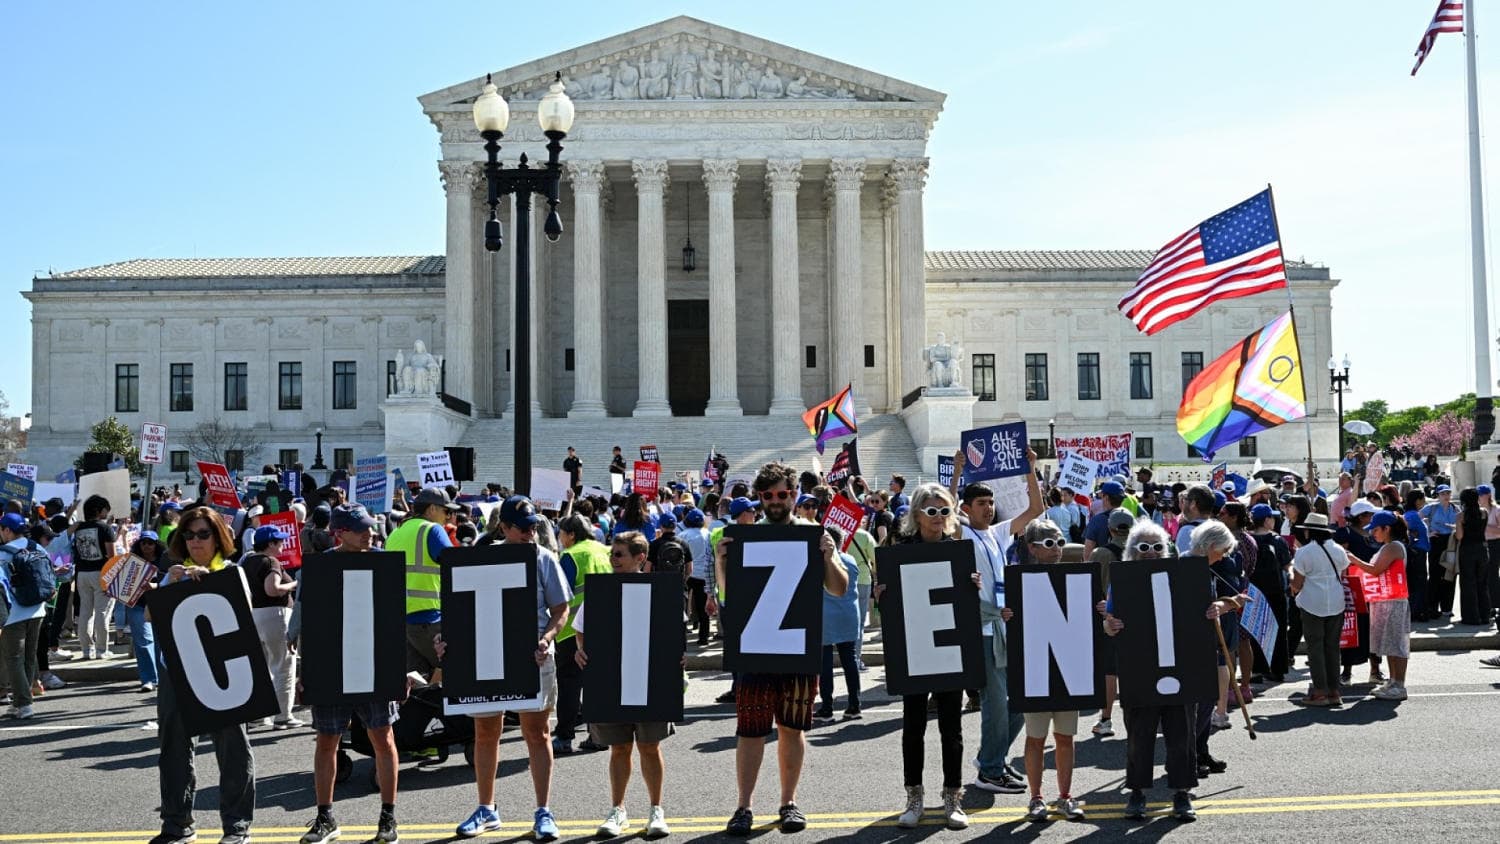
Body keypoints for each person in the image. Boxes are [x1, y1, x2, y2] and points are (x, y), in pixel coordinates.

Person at [715, 462, 847, 835]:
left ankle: (789, 801)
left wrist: (828, 555)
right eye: (768, 495)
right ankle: (744, 806)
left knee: (792, 728)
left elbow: (838, 588)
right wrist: (723, 564)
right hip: (757, 646)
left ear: (793, 494)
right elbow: (728, 596)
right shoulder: (745, 537)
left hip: (796, 647)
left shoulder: (812, 535)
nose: (775, 500)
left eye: (783, 494)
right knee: (750, 730)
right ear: (759, 497)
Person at [444, 496, 571, 840]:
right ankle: (487, 808)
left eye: (534, 526)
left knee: (537, 732)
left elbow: (562, 608)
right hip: (488, 654)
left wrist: (547, 638)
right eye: (523, 527)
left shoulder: (543, 558)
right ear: (504, 527)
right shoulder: (482, 557)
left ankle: (543, 811)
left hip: (532, 655)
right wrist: (448, 641)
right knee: (485, 734)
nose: (531, 533)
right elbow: (461, 608)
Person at [297, 505, 411, 844]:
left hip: (374, 663)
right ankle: (325, 817)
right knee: (327, 741)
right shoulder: (318, 568)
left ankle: (388, 817)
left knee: (383, 738)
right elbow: (309, 622)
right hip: (332, 664)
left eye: (371, 527)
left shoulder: (383, 563)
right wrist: (306, 670)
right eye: (361, 528)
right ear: (339, 532)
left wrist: (400, 667)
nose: (370, 533)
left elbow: (394, 621)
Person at [151, 506, 255, 844]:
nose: (195, 541)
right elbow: (151, 615)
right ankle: (177, 824)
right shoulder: (172, 573)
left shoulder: (231, 572)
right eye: (189, 534)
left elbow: (244, 617)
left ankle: (236, 825)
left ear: (218, 538)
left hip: (222, 675)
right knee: (175, 749)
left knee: (233, 749)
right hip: (175, 672)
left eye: (203, 534)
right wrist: (173, 582)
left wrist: (208, 583)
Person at [878, 483, 970, 830]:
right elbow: (892, 604)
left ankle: (952, 798)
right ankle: (914, 797)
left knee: (952, 728)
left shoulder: (958, 551)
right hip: (915, 647)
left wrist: (971, 586)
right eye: (931, 511)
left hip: (948, 648)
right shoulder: (901, 549)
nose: (938, 518)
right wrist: (880, 594)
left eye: (944, 511)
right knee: (912, 727)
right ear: (917, 515)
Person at [573, 531, 674, 839]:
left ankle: (656, 809)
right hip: (611, 677)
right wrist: (580, 649)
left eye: (619, 554)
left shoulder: (659, 590)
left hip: (647, 677)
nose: (612, 559)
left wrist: (676, 658)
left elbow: (672, 631)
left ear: (639, 558)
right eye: (611, 554)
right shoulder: (601, 591)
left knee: (648, 746)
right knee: (619, 748)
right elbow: (581, 627)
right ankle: (618, 809)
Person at [1103, 520, 1204, 822]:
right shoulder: (1121, 581)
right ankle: (1137, 793)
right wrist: (1108, 625)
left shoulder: (1184, 576)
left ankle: (1182, 793)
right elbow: (1109, 619)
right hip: (1139, 668)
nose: (1150, 552)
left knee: (1181, 734)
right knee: (1139, 734)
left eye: (1157, 546)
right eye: (1143, 547)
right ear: (1132, 551)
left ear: (1167, 549)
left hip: (1180, 666)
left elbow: (1201, 609)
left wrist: (1215, 609)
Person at [951, 464, 1041, 796]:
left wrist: (1030, 468)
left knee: (1020, 701)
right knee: (996, 704)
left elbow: (1035, 509)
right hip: (983, 628)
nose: (988, 508)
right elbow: (946, 512)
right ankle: (989, 770)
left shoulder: (999, 532)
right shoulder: (962, 532)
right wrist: (959, 473)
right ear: (966, 508)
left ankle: (994, 758)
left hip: (1005, 627)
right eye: (981, 504)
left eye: (990, 503)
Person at [1001, 520, 1085, 822]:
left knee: (1065, 738)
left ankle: (1065, 796)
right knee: (1035, 738)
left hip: (1067, 671)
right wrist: (1005, 615)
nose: (1057, 550)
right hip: (1036, 669)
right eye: (1050, 543)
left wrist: (1099, 612)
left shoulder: (1076, 580)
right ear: (1033, 548)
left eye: (1061, 542)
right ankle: (1035, 798)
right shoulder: (1018, 580)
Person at [553, 513, 613, 756]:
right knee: (597, 683)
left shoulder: (571, 555)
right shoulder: (605, 549)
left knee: (569, 684)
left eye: (561, 534)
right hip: (606, 625)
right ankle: (598, 736)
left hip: (573, 629)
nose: (559, 538)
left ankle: (564, 737)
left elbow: (560, 593)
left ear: (571, 535)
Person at [389, 487, 456, 679]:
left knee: (418, 682)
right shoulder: (433, 530)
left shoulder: (395, 534)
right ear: (432, 509)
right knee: (456, 673)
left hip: (403, 621)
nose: (449, 517)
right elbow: (456, 568)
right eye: (447, 511)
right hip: (431, 620)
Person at [241, 524, 301, 728]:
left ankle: (259, 714)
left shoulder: (247, 561)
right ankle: (284, 715)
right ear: (271, 543)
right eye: (280, 541)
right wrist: (295, 584)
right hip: (275, 614)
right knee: (284, 665)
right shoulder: (270, 561)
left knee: (262, 667)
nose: (283, 543)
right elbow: (273, 589)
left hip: (253, 615)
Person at [1347, 511, 1412, 701]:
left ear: (1387, 528)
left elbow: (1375, 570)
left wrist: (1353, 559)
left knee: (1397, 644)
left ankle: (1399, 684)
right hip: (1385, 600)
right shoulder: (1387, 546)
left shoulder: (1393, 547)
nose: (1373, 533)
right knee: (1390, 644)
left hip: (1393, 601)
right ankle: (1393, 681)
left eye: (1375, 529)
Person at [1291, 513, 1350, 707]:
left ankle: (1319, 691)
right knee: (1332, 647)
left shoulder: (1304, 552)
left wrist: (1291, 586)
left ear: (1309, 531)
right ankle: (1334, 690)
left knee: (1315, 647)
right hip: (1336, 602)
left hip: (1312, 603)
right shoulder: (1339, 550)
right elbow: (1344, 573)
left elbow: (1297, 584)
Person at [0, 513, 47, 720]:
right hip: (38, 610)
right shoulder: (37, 547)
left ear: (7, 530)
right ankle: (23, 700)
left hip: (14, 613)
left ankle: (23, 703)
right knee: (29, 657)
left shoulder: (3, 554)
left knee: (13, 658)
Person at [817, 525, 862, 720]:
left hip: (826, 615)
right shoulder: (850, 560)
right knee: (850, 660)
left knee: (825, 662)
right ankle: (854, 704)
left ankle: (827, 706)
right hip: (849, 613)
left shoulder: (822, 561)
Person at [70, 494, 117, 660]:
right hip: (101, 572)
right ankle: (101, 649)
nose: (107, 512)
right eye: (105, 509)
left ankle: (85, 649)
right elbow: (112, 556)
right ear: (99, 510)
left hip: (82, 573)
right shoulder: (105, 529)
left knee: (85, 612)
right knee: (102, 612)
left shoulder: (79, 528)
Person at [1247, 504, 1291, 681]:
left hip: (1253, 591)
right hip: (1276, 592)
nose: (1274, 520)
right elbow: (1287, 565)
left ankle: (1256, 669)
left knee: (1255, 630)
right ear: (1266, 520)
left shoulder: (1247, 540)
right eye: (1272, 517)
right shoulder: (1278, 540)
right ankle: (1278, 669)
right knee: (1278, 630)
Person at [126, 530, 165, 692]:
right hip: (138, 605)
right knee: (143, 642)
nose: (147, 546)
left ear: (156, 545)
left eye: (150, 543)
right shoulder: (132, 561)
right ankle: (149, 679)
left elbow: (171, 579)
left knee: (160, 643)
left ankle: (162, 678)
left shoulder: (165, 560)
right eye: (143, 543)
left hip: (160, 605)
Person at [1453, 487, 1489, 626]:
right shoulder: (1484, 513)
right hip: (1482, 548)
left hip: (1467, 550)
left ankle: (1471, 617)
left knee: (1468, 583)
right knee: (1482, 583)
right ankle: (1484, 615)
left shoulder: (1460, 516)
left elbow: (1460, 536)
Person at [1422, 485, 1458, 618]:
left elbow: (1460, 523)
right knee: (1435, 575)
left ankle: (1447, 608)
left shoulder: (1455, 508)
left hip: (1450, 542)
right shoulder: (1431, 508)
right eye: (1443, 493)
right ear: (1438, 495)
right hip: (1436, 541)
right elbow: (1417, 519)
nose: (1446, 496)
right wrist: (1427, 533)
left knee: (1449, 575)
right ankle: (1432, 607)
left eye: (1448, 493)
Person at [679, 508, 713, 646]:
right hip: (704, 574)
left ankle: (683, 635)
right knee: (703, 607)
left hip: (687, 573)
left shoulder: (683, 535)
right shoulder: (709, 534)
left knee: (684, 605)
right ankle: (703, 637)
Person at [1403, 490, 1432, 623]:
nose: (1424, 502)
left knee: (1417, 582)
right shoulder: (1412, 516)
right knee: (1419, 583)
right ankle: (1418, 611)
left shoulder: (1412, 515)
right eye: (1422, 499)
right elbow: (1408, 531)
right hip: (1416, 552)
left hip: (1417, 551)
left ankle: (1418, 610)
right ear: (1417, 501)